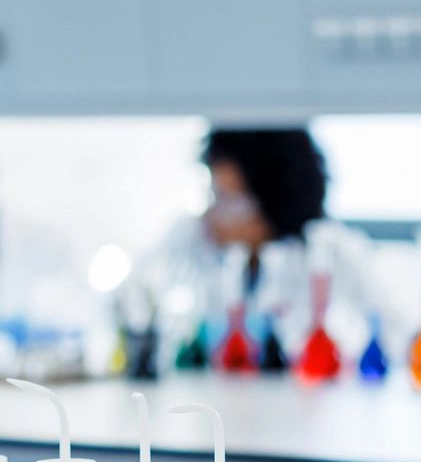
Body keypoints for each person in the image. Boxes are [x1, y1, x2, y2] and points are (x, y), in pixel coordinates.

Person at [123, 127, 375, 368]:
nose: (216, 214)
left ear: (275, 202)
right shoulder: (194, 235)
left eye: (231, 201)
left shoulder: (332, 251)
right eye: (214, 194)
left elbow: (395, 328)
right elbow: (129, 294)